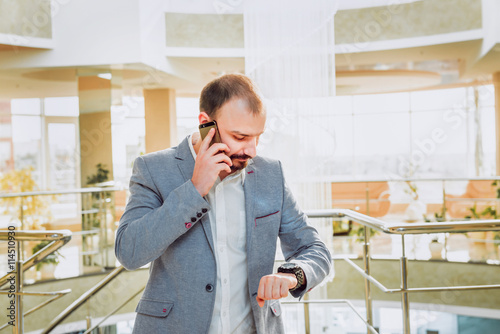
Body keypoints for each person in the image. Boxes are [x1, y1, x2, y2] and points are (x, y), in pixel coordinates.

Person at [115, 74, 332, 334]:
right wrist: (194, 190)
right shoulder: (153, 169)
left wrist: (292, 275)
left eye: (257, 137)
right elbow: (129, 251)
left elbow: (314, 249)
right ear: (206, 124)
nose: (251, 150)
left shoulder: (271, 174)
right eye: (240, 137)